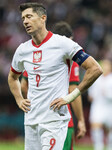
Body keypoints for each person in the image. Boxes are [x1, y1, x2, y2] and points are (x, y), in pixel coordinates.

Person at [8, 2, 103, 150]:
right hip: (31, 120)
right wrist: (19, 99)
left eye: (29, 16)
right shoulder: (22, 50)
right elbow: (13, 77)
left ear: (42, 18)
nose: (25, 21)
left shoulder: (63, 44)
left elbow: (95, 69)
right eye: (23, 18)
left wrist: (71, 96)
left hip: (54, 120)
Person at [21, 21, 86, 150]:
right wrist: (81, 120)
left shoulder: (36, 53)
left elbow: (23, 85)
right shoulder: (68, 55)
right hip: (59, 120)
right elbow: (72, 88)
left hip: (36, 118)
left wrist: (34, 105)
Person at [88, 59, 112, 150]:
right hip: (97, 106)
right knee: (96, 125)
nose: (105, 67)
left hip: (109, 106)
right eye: (103, 65)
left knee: (109, 128)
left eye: (107, 65)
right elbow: (91, 94)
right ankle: (98, 147)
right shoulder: (96, 78)